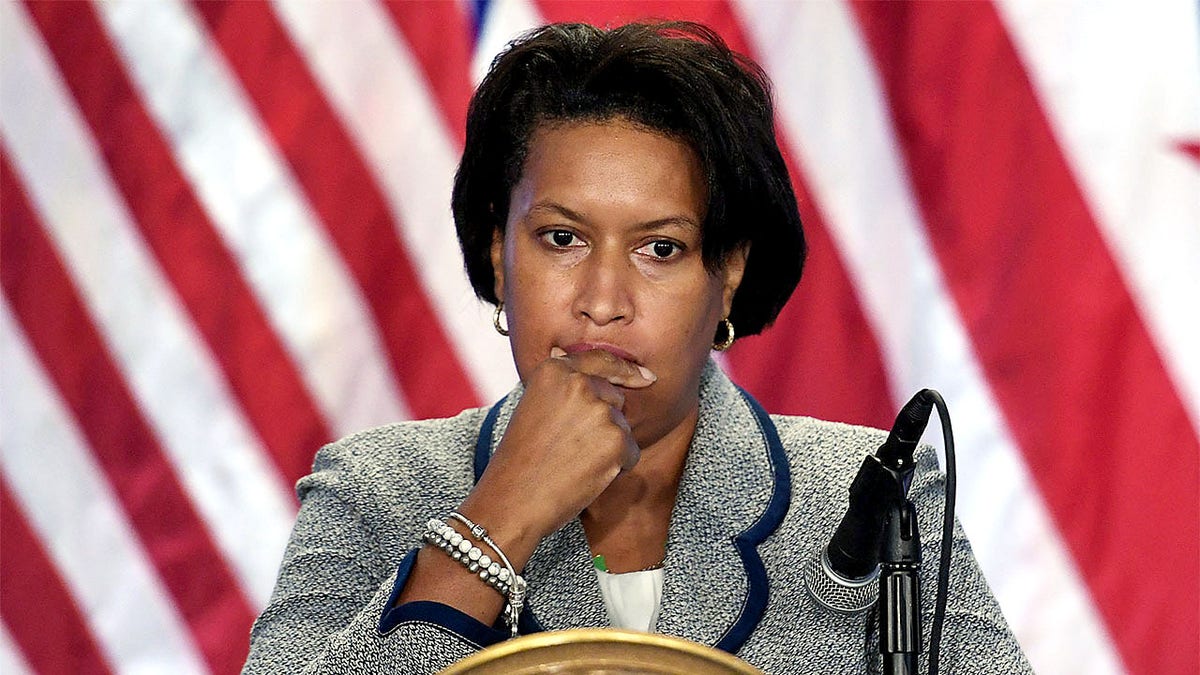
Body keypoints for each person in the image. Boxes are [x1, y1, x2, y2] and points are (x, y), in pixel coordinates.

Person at [242, 22, 1031, 674]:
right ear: (496, 254)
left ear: (726, 275)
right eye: (561, 238)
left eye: (660, 249)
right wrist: (499, 514)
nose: (603, 301)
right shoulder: (373, 491)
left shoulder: (870, 501)